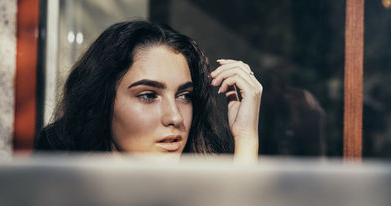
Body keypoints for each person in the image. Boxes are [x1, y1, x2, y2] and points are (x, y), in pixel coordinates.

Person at [35, 20, 262, 160]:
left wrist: (246, 137)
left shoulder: (194, 200)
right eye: (148, 96)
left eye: (184, 96)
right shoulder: (59, 202)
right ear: (100, 103)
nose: (175, 117)